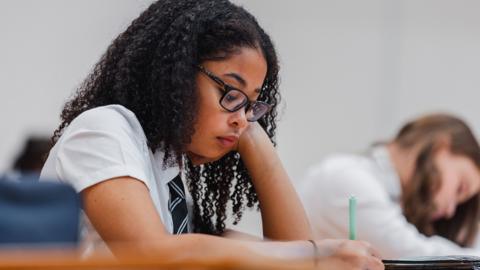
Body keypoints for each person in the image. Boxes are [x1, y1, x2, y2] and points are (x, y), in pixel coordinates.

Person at [39, 1, 383, 269]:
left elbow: (292, 250)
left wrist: (252, 135)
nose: (241, 118)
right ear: (174, 76)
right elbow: (153, 255)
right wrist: (313, 257)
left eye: (251, 103)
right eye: (230, 92)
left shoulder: (163, 160)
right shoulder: (103, 129)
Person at [299, 114, 480, 259]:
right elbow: (410, 254)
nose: (450, 211)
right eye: (460, 188)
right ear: (440, 148)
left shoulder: (387, 196)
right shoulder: (347, 176)